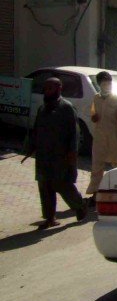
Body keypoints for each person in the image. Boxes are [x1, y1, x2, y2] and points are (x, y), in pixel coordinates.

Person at [24, 77, 87, 229]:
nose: (47, 91)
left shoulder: (66, 107)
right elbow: (36, 130)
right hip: (43, 155)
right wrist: (29, 148)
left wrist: (72, 152)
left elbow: (74, 132)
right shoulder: (42, 108)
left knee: (62, 184)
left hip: (61, 155)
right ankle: (49, 218)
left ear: (59, 88)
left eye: (50, 88)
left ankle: (80, 206)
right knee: (44, 186)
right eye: (45, 88)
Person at [86, 71, 117, 205]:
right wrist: (94, 117)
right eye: (104, 83)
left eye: (109, 83)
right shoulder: (96, 98)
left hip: (114, 135)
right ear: (99, 85)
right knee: (97, 165)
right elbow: (93, 114)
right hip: (99, 136)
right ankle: (95, 194)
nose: (107, 86)